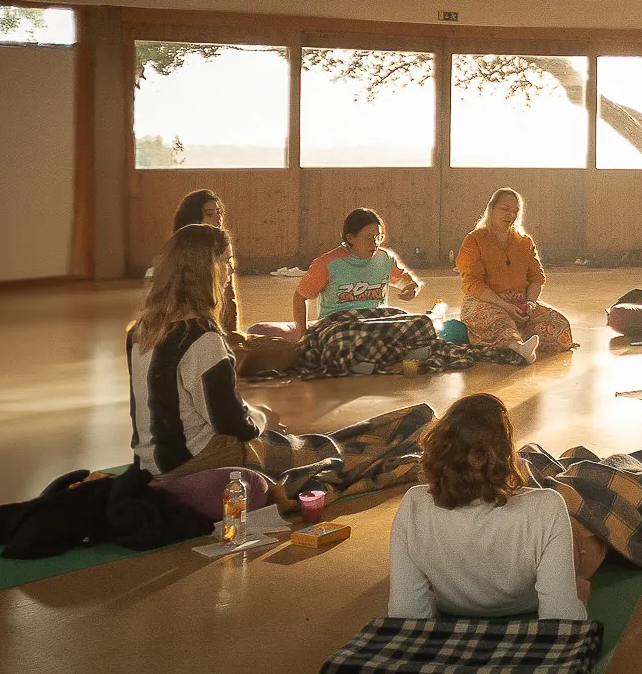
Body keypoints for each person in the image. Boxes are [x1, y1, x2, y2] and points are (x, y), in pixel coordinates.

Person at [126, 224, 430, 486]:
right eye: (226, 261)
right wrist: (264, 417)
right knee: (329, 454)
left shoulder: (140, 331)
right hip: (197, 460)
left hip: (150, 462)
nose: (231, 269)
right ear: (207, 270)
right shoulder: (202, 338)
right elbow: (233, 426)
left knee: (308, 443)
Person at [388, 395, 603, 622]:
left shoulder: (413, 504)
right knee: (585, 519)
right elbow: (561, 618)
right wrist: (579, 597)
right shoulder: (548, 506)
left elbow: (406, 613)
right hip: (530, 595)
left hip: (453, 606)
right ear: (505, 454)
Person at [284, 209, 441, 375]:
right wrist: (302, 338)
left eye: (378, 237)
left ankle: (369, 365)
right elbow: (299, 297)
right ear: (351, 238)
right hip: (340, 324)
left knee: (424, 323)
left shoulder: (385, 258)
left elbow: (407, 282)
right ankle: (388, 362)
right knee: (340, 338)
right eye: (368, 237)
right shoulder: (326, 263)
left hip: (377, 322)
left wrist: (412, 289)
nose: (375, 243)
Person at [454, 188, 571, 363]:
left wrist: (530, 303)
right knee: (501, 323)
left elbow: (537, 278)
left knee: (560, 325)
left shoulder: (524, 241)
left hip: (521, 303)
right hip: (486, 302)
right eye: (505, 209)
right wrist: (505, 306)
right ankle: (518, 346)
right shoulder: (474, 239)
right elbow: (473, 282)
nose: (510, 215)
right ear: (491, 209)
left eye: (515, 211)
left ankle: (517, 337)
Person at [155, 188, 240, 330]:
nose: (218, 218)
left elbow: (229, 302)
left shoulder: (222, 248)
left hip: (218, 331)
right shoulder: (179, 253)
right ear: (193, 218)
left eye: (219, 212)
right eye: (210, 214)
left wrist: (232, 334)